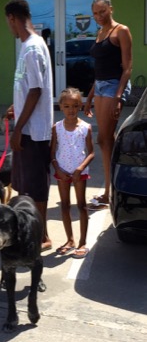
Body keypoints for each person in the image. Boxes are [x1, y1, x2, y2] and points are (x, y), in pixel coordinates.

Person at [5, 0, 54, 252]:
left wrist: (18, 128)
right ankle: (34, 233)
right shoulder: (28, 47)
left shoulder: (33, 48)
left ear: (13, 18)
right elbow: (29, 90)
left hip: (33, 132)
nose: (9, 28)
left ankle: (42, 236)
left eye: (8, 23)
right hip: (27, 127)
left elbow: (36, 91)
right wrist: (16, 108)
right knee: (26, 186)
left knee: (35, 188)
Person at [84, 0, 132, 210]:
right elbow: (99, 70)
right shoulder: (100, 33)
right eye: (95, 13)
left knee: (104, 140)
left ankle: (110, 191)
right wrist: (89, 97)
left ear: (110, 8)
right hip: (101, 87)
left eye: (102, 12)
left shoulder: (121, 31)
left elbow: (128, 67)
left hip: (114, 86)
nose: (99, 17)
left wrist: (119, 96)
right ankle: (114, 189)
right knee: (106, 140)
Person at [51, 88, 95, 259]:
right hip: (62, 173)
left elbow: (91, 152)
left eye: (75, 106)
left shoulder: (85, 128)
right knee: (64, 205)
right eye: (67, 106)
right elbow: (52, 152)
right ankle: (69, 240)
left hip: (79, 174)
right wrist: (57, 169)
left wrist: (80, 169)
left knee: (82, 206)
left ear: (80, 106)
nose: (71, 110)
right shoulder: (57, 128)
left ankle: (82, 242)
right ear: (61, 106)